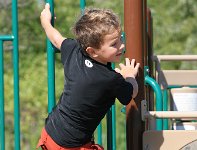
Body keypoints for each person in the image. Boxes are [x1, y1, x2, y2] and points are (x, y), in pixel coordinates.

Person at [37, 3, 140, 150]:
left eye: (120, 39)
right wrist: (129, 76)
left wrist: (45, 22)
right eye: (114, 44)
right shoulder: (110, 79)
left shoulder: (74, 49)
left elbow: (56, 39)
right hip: (70, 146)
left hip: (50, 132)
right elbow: (131, 93)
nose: (121, 46)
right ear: (92, 51)